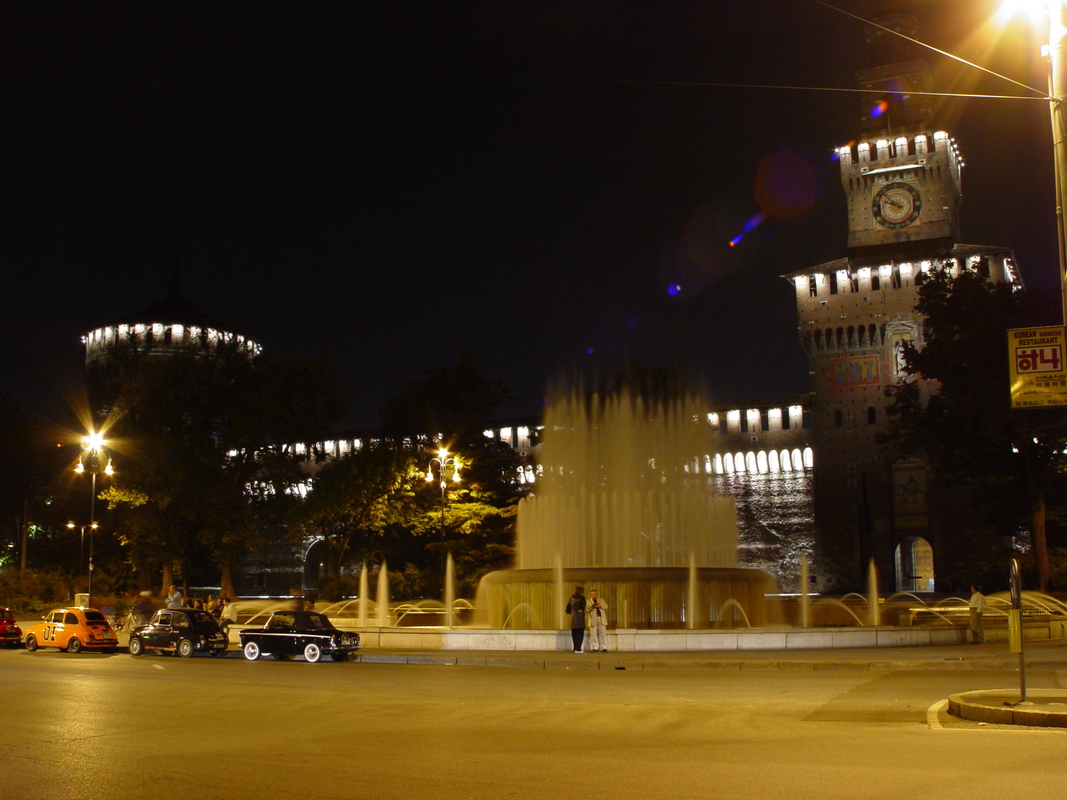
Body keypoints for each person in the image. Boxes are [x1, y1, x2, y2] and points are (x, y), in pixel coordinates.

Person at [565, 586, 586, 653]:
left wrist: (570, 612)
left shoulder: (571, 597)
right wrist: (581, 610)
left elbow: (568, 608)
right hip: (579, 618)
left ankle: (575, 648)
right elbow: (583, 605)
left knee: (574, 633)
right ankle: (578, 648)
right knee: (580, 634)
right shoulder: (582, 598)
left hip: (573, 618)